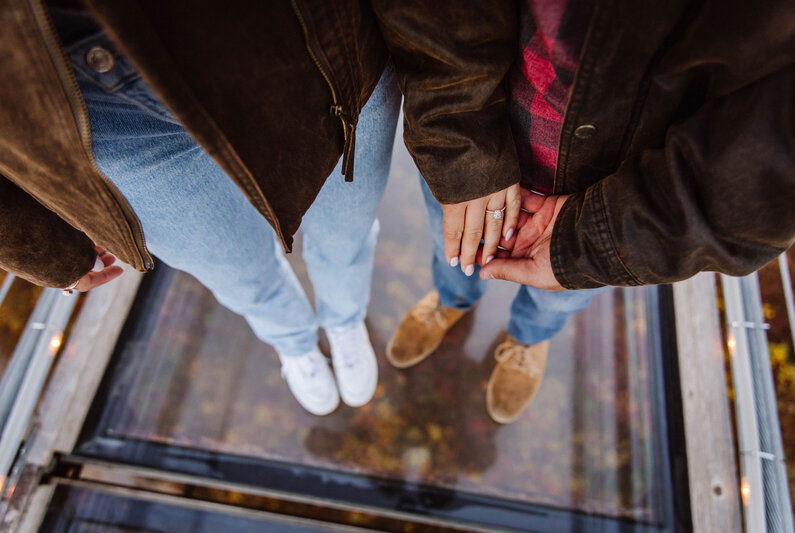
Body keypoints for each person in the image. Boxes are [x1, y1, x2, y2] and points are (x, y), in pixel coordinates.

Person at [0, 2, 522, 413]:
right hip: (99, 123)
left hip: (307, 61)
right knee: (233, 271)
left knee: (346, 232)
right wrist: (39, 247)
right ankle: (293, 342)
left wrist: (468, 136)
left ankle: (343, 320)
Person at [388, 0, 795, 424]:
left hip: (615, 187)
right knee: (454, 251)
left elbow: (770, 166)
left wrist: (600, 243)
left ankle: (529, 339)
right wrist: (460, 143)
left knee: (559, 298)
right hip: (479, 136)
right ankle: (453, 300)